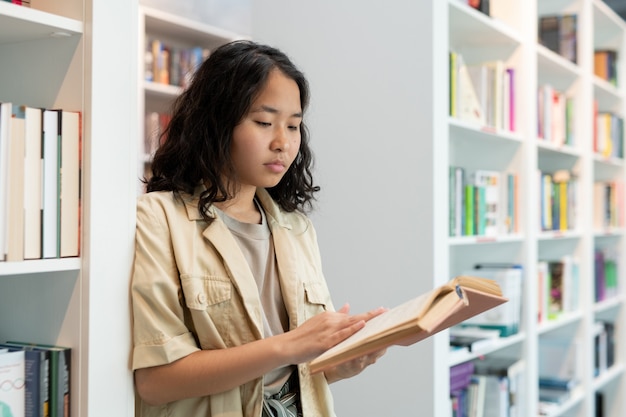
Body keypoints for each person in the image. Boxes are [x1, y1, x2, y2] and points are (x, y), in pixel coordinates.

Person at [130, 40, 386, 417]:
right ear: (217, 122)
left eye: (294, 126)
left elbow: (304, 369)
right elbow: (155, 382)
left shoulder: (296, 229)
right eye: (265, 123)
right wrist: (289, 345)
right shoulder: (158, 218)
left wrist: (344, 362)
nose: (283, 142)